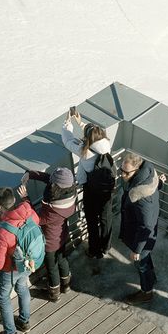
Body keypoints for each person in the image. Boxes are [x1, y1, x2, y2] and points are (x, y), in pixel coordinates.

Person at [0, 186, 41, 334]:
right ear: (14, 200)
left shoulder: (3, 232)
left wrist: (3, 223)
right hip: (28, 262)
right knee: (22, 287)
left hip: (10, 269)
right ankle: (24, 322)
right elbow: (36, 221)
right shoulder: (28, 212)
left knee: (3, 297)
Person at [62, 111, 114, 259]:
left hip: (91, 191)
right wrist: (82, 123)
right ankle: (106, 246)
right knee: (106, 219)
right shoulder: (106, 145)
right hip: (106, 190)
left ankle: (95, 250)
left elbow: (67, 140)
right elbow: (95, 136)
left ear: (87, 138)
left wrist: (68, 122)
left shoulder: (84, 152)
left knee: (92, 222)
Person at [20, 167, 76, 301]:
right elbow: (50, 178)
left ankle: (54, 293)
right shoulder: (68, 193)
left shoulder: (53, 211)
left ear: (56, 187)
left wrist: (26, 199)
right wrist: (31, 174)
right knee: (62, 260)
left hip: (50, 242)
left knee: (52, 268)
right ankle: (66, 285)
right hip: (62, 237)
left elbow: (36, 219)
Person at [119, 152, 163, 304]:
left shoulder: (140, 195)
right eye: (121, 170)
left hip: (140, 237)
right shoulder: (148, 175)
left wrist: (137, 250)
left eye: (126, 172)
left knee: (142, 263)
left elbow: (146, 226)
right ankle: (151, 279)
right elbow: (155, 186)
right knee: (146, 260)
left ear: (137, 171)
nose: (122, 175)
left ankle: (146, 292)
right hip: (143, 234)